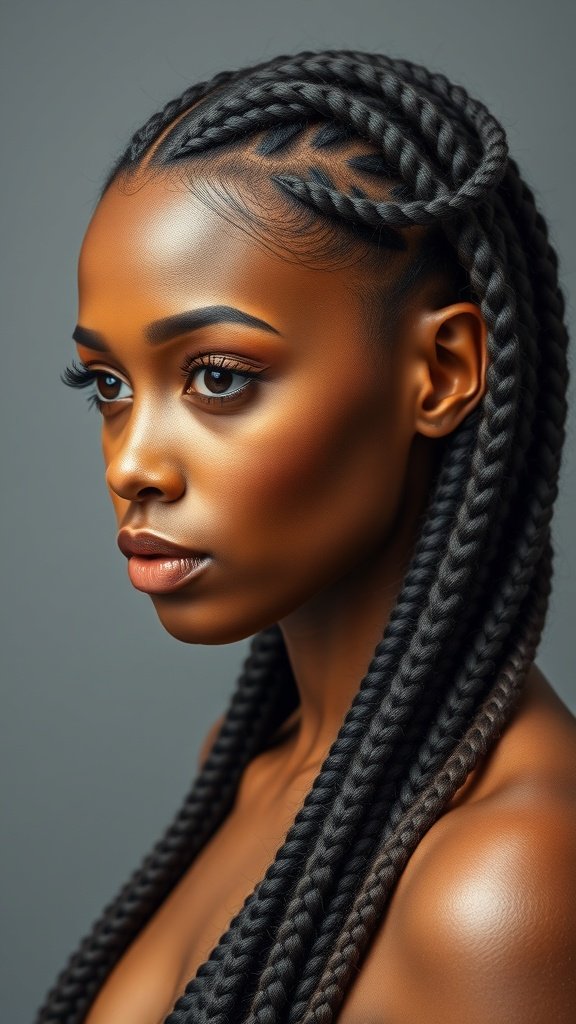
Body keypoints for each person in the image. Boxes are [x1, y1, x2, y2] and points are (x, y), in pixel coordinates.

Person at [37, 50, 576, 1024]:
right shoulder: (244, 765)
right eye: (109, 386)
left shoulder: (506, 881)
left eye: (218, 376)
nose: (131, 464)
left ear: (444, 370)